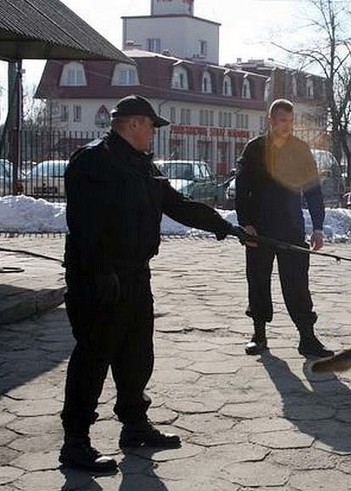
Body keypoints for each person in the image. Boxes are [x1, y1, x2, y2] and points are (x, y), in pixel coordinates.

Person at [59, 95, 245, 473]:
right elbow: (84, 224)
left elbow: (177, 205)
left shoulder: (142, 165)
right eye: (151, 126)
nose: (154, 134)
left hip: (135, 275)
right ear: (132, 124)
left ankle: (134, 425)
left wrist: (227, 227)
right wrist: (100, 272)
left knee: (136, 354)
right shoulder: (93, 161)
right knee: (93, 358)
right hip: (99, 279)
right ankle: (75, 442)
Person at [235, 98, 334, 358]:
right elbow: (241, 190)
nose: (287, 126)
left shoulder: (300, 149)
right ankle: (259, 334)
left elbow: (313, 189)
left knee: (298, 284)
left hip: (291, 228)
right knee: (257, 281)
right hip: (259, 230)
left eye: (290, 121)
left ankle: (307, 337)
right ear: (270, 121)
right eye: (281, 121)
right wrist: (245, 224)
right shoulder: (254, 149)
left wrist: (318, 227)